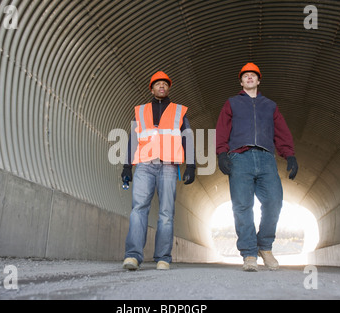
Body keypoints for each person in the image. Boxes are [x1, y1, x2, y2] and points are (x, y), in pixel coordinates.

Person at [216, 63, 299, 272]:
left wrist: (289, 154)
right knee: (242, 205)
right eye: (246, 76)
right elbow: (222, 129)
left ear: (259, 80)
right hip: (239, 158)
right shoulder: (232, 103)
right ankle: (249, 254)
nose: (249, 78)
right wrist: (221, 153)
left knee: (274, 201)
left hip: (265, 158)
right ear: (241, 81)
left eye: (253, 75)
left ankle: (265, 246)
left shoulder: (269, 105)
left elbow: (281, 131)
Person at [121, 71, 196, 271]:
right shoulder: (141, 111)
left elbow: (186, 136)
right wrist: (127, 166)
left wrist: (191, 165)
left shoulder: (179, 111)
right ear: (151, 88)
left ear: (168, 88)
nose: (161, 86)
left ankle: (163, 257)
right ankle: (133, 256)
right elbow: (133, 139)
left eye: (164, 84)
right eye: (157, 84)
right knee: (138, 209)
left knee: (166, 213)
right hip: (144, 165)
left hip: (169, 166)